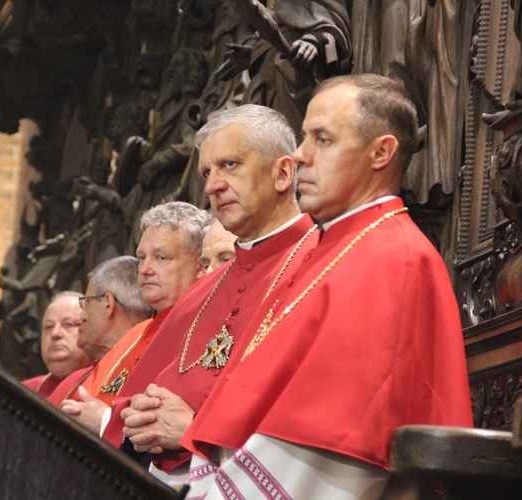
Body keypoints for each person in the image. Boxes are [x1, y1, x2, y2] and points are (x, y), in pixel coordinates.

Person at [182, 74, 473, 497]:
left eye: (323, 139)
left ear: (381, 152)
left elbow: (341, 432)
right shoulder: (332, 246)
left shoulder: (393, 259)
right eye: (304, 138)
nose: (299, 156)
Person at [102, 104, 319, 484]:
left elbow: (319, 419)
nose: (211, 185)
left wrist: (196, 428)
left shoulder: (322, 268)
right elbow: (136, 398)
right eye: (207, 171)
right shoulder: (208, 286)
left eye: (230, 165)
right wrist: (140, 415)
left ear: (283, 173)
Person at [59, 201, 210, 431]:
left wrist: (105, 423)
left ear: (201, 266)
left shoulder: (204, 333)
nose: (145, 269)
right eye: (141, 257)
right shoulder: (138, 333)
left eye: (161, 258)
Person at [44, 257, 151, 406]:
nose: (81, 317)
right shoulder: (77, 380)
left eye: (86, 303)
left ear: (108, 304)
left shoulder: (150, 366)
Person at [21, 292, 95, 398]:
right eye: (49, 327)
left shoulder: (108, 384)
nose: (55, 333)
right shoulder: (23, 391)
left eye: (68, 324)